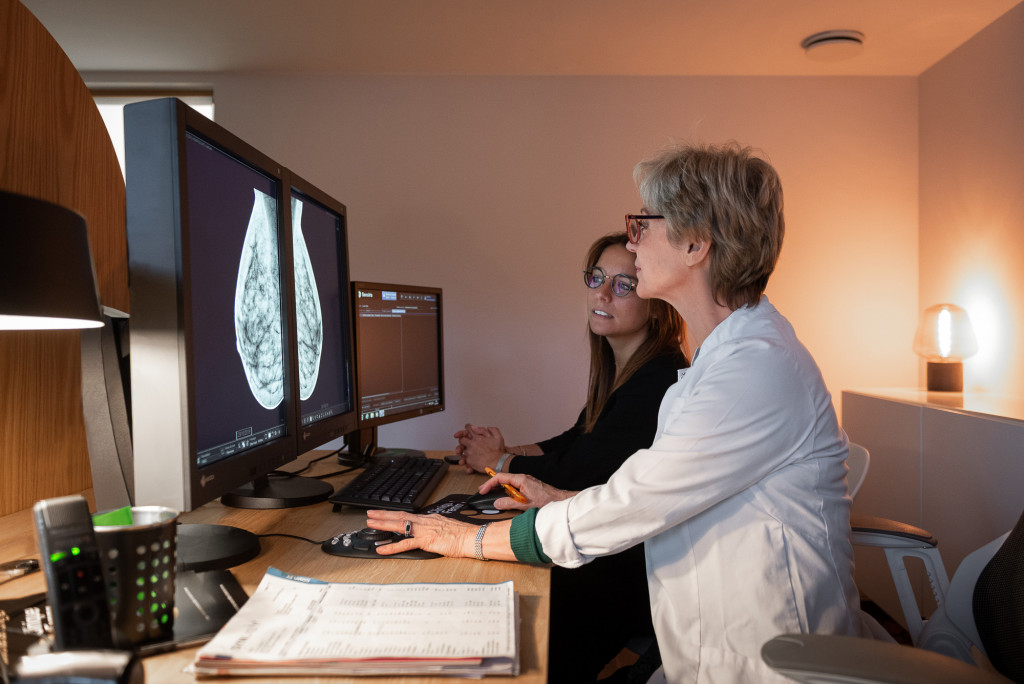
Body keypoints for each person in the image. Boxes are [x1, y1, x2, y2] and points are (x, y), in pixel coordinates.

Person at [367, 142, 885, 683]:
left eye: (644, 223)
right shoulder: (723, 363)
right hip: (708, 649)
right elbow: (661, 492)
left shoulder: (753, 372)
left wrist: (464, 539)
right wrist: (562, 497)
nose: (633, 240)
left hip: (771, 667)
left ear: (695, 244)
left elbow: (633, 502)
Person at [454, 231, 688, 681]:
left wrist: (499, 463)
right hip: (612, 552)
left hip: (627, 575)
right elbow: (577, 438)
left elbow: (583, 470)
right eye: (596, 277)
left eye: (623, 284)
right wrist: (503, 452)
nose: (601, 293)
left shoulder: (655, 380)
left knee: (514, 620)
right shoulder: (625, 365)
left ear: (655, 301)